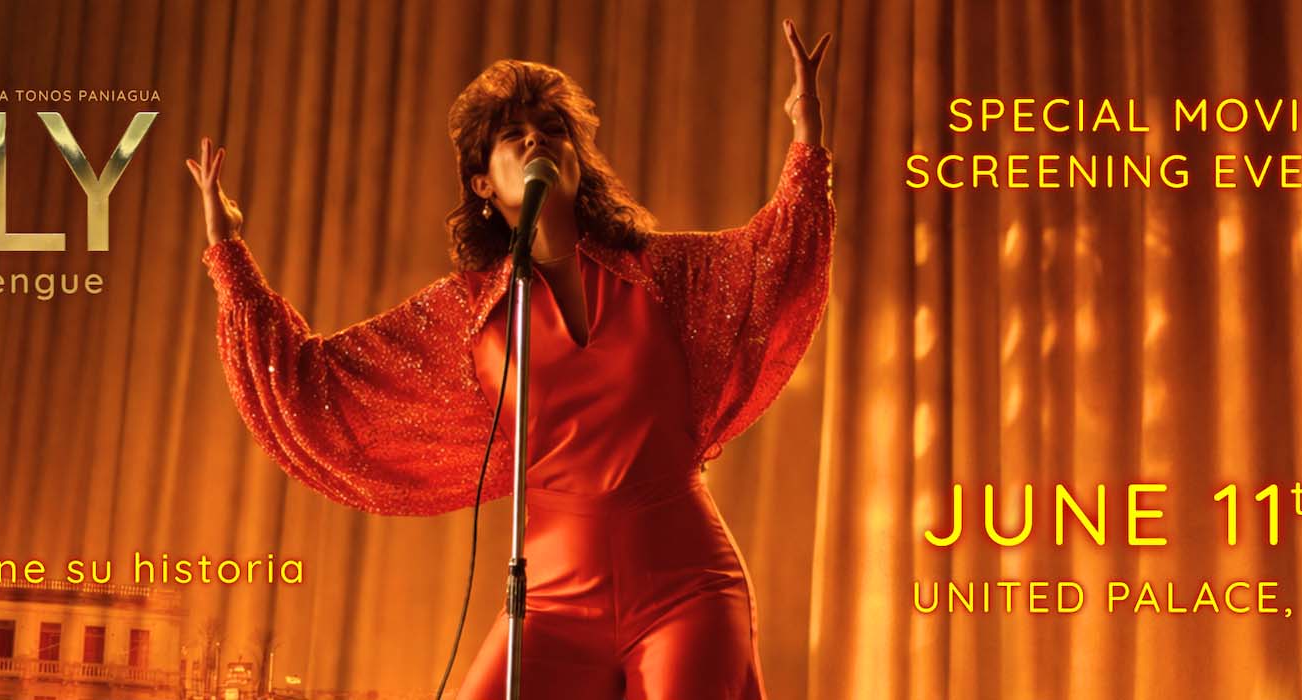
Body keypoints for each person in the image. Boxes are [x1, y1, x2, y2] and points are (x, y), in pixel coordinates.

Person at [187, 20, 833, 700]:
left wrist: (807, 140)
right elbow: (316, 384)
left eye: (552, 129)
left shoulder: (664, 274)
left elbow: (777, 257)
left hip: (687, 588)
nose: (535, 140)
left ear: (578, 164)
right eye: (512, 134)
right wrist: (230, 257)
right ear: (482, 184)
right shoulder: (468, 315)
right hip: (550, 600)